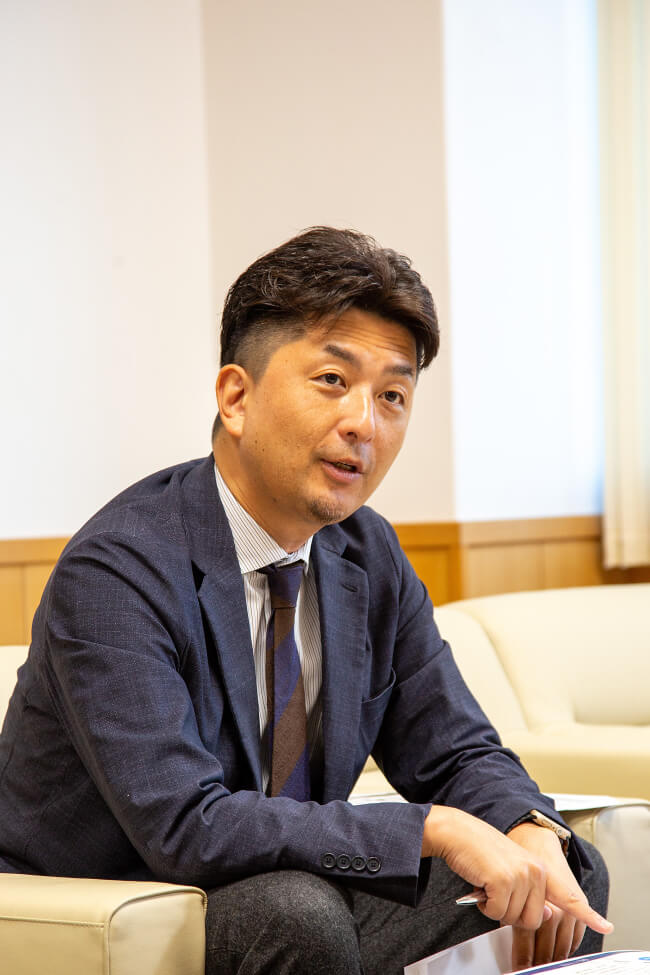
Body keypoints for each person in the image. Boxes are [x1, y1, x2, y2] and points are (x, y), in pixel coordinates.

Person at [0, 227, 610, 974]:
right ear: (236, 397)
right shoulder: (118, 568)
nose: (364, 422)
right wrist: (434, 828)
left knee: (559, 878)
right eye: (331, 380)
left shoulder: (366, 553)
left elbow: (456, 748)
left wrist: (527, 824)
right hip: (113, 904)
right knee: (297, 914)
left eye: (392, 396)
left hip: (283, 889)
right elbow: (185, 824)